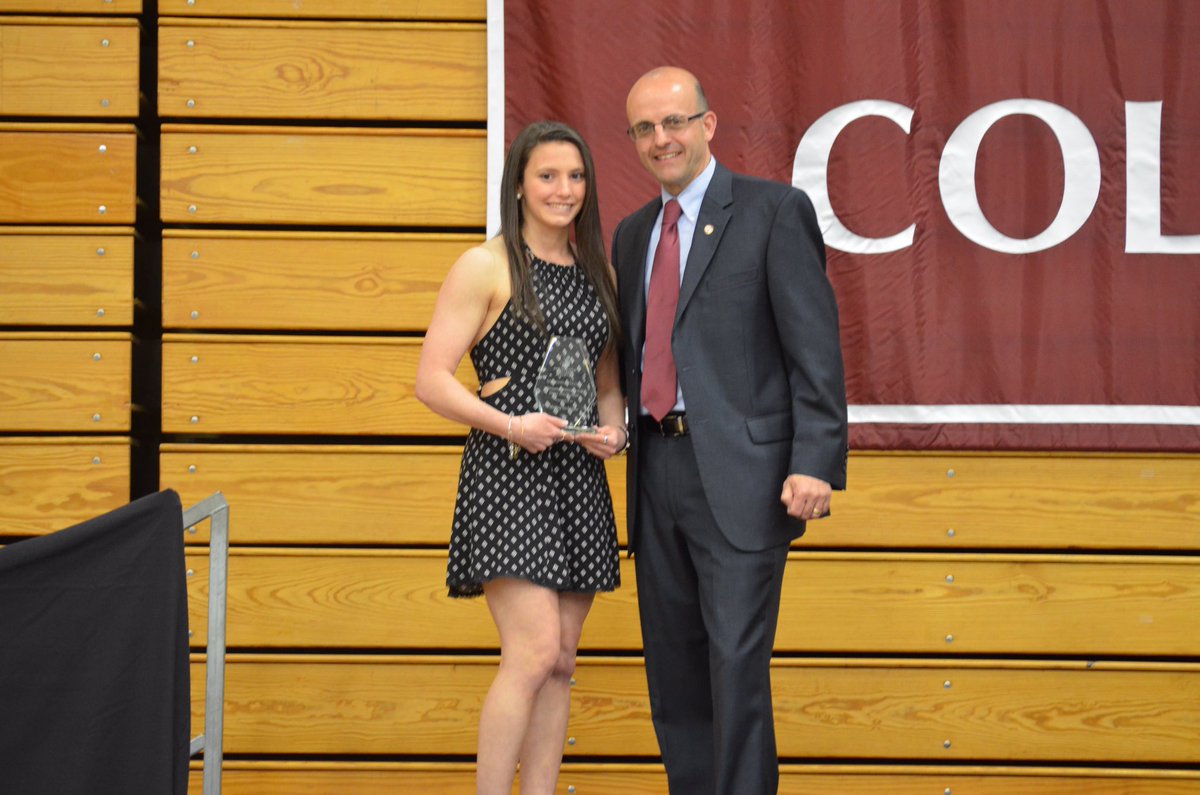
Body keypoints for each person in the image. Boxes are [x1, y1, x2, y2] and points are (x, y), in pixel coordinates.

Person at [611, 66, 849, 794]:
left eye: (675, 122)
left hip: (742, 483)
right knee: (675, 674)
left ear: (708, 125)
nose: (662, 139)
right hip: (657, 475)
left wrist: (816, 460)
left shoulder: (774, 212)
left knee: (736, 669)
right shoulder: (630, 235)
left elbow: (816, 349)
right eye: (646, 128)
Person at [415, 120, 626, 794]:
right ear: (519, 184)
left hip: (577, 476)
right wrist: (509, 423)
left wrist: (613, 431)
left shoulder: (599, 273)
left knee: (561, 659)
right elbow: (432, 380)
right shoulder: (486, 264)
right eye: (547, 176)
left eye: (576, 176)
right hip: (508, 474)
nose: (563, 190)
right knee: (531, 651)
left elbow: (609, 385)